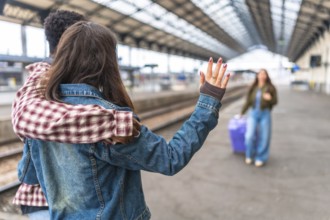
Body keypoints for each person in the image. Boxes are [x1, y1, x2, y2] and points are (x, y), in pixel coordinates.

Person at [20, 20, 230, 219]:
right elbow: (170, 158)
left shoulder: (40, 117)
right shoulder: (109, 120)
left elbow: (28, 176)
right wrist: (208, 100)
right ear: (107, 63)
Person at [12, 10, 138, 218]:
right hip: (44, 199)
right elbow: (25, 115)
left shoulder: (78, 81)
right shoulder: (43, 75)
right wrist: (112, 120)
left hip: (77, 199)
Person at [241, 69, 278, 167]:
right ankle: (249, 155)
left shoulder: (270, 87)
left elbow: (275, 101)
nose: (261, 76)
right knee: (249, 135)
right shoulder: (253, 88)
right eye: (260, 74)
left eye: (263, 74)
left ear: (266, 76)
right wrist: (242, 113)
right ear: (257, 76)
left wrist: (270, 99)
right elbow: (248, 101)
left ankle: (260, 157)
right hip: (253, 113)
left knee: (265, 137)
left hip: (265, 113)